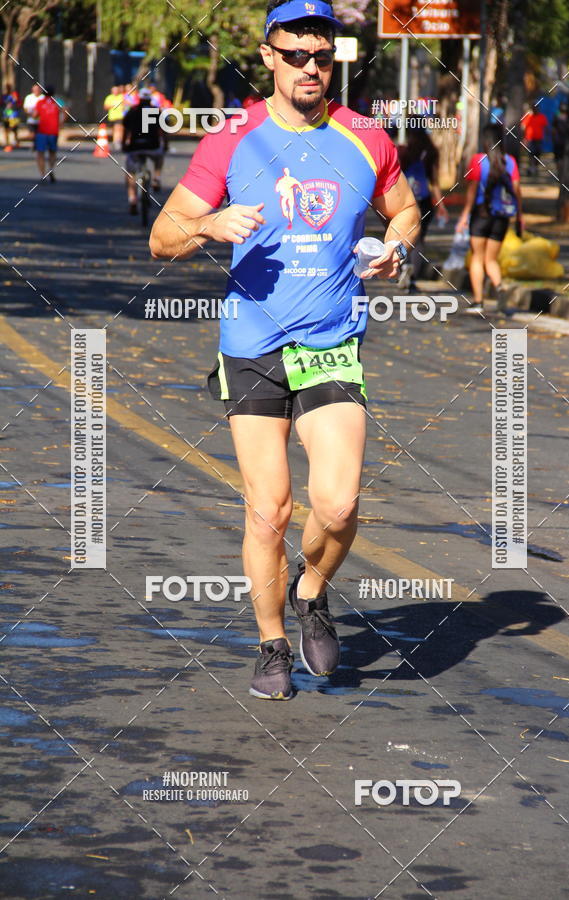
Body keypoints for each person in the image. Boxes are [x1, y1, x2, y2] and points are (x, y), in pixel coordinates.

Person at [149, 0, 419, 701]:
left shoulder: (365, 135)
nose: (309, 68)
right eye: (294, 55)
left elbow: (408, 207)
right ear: (267, 56)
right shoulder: (232, 138)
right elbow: (162, 236)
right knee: (270, 509)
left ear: (335, 61)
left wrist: (396, 249)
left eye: (322, 57)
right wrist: (210, 224)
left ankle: (312, 590)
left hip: (331, 341)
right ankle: (270, 643)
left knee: (338, 501)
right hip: (254, 346)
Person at [457, 123, 523, 313]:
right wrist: (520, 216)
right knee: (491, 259)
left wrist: (464, 215)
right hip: (502, 216)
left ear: (485, 141)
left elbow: (472, 190)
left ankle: (478, 302)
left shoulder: (478, 160)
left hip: (481, 214)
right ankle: (500, 286)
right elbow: (517, 191)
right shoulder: (510, 162)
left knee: (477, 257)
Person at [398, 126, 448, 290]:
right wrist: (441, 205)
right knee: (419, 240)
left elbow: (397, 177)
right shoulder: (430, 152)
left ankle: (403, 265)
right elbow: (433, 181)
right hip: (425, 201)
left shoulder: (405, 152)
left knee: (403, 237)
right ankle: (412, 276)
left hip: (406, 200)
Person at [122, 86, 165, 212]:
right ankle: (156, 178)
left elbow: (126, 130)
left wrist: (125, 144)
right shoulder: (157, 111)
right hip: (153, 146)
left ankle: (132, 198)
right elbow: (162, 130)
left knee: (130, 173)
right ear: (150, 100)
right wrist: (165, 144)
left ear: (139, 99)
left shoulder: (132, 111)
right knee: (159, 158)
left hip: (135, 146)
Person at [34, 85, 62, 181]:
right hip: (53, 131)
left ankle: (43, 175)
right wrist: (60, 123)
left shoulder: (40, 102)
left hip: (42, 131)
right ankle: (51, 169)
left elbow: (34, 115)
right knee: (52, 152)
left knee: (40, 153)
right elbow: (66, 111)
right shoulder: (57, 102)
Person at [522, 102, 548, 175]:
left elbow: (545, 128)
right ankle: (531, 168)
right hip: (530, 139)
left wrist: (546, 137)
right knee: (531, 154)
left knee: (537, 154)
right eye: (533, 107)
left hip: (539, 140)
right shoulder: (528, 117)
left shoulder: (542, 117)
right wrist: (524, 138)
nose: (535, 109)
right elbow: (523, 128)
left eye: (536, 108)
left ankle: (535, 168)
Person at [103, 84, 125, 150]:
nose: (115, 91)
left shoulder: (121, 97)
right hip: (112, 116)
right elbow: (105, 107)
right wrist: (113, 105)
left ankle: (118, 142)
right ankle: (115, 141)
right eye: (114, 90)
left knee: (118, 128)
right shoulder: (109, 97)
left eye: (116, 90)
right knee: (114, 130)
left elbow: (126, 104)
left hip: (120, 116)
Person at [551, 101, 568, 180]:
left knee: (561, 159)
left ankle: (562, 174)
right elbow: (553, 129)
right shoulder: (557, 117)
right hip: (559, 142)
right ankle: (561, 174)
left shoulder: (568, 118)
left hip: (562, 142)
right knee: (559, 159)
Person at [1, 85, 21, 151]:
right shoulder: (4, 96)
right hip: (6, 116)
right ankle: (7, 144)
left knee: (13, 129)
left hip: (13, 116)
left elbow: (18, 103)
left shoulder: (14, 95)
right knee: (6, 130)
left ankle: (16, 143)